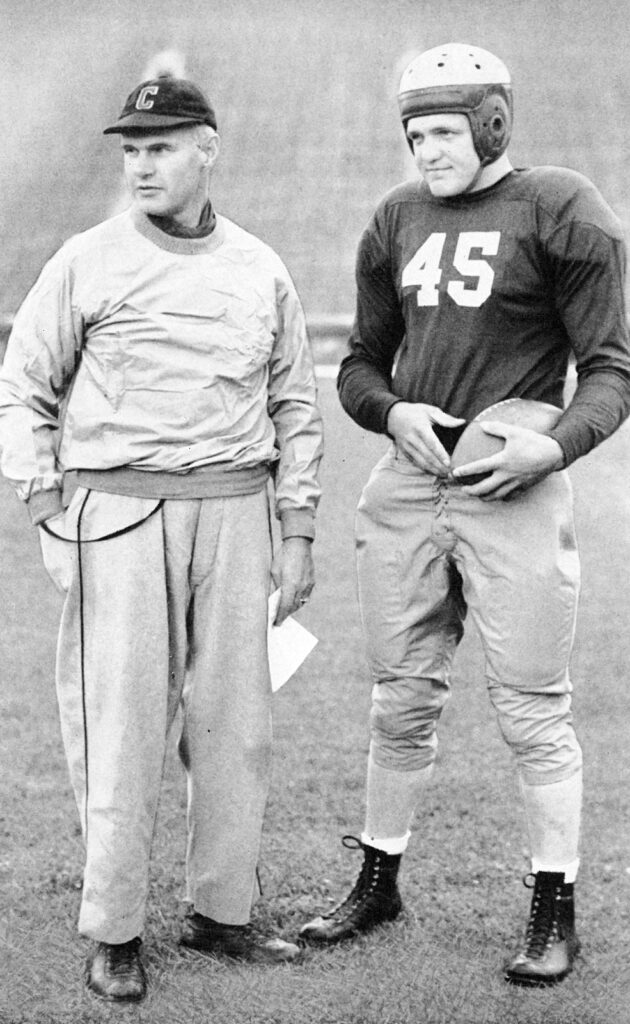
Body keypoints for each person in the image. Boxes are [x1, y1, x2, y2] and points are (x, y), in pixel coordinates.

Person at [299, 43, 630, 985]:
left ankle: (553, 905)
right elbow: (362, 364)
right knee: (398, 696)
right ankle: (378, 878)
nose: (428, 150)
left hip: (510, 482)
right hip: (412, 486)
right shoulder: (395, 218)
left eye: (444, 130)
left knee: (532, 708)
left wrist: (553, 445)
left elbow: (611, 367)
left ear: (491, 124)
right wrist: (393, 409)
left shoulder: (558, 204)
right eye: (414, 133)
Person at [0, 74, 323, 1002]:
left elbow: (295, 404)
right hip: (120, 517)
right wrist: (45, 505)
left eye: (162, 147)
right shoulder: (86, 259)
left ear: (207, 149)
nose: (141, 164)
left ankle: (222, 914)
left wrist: (296, 530)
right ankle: (115, 930)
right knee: (123, 728)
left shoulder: (260, 266)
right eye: (132, 150)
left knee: (236, 727)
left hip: (235, 513)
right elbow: (24, 388)